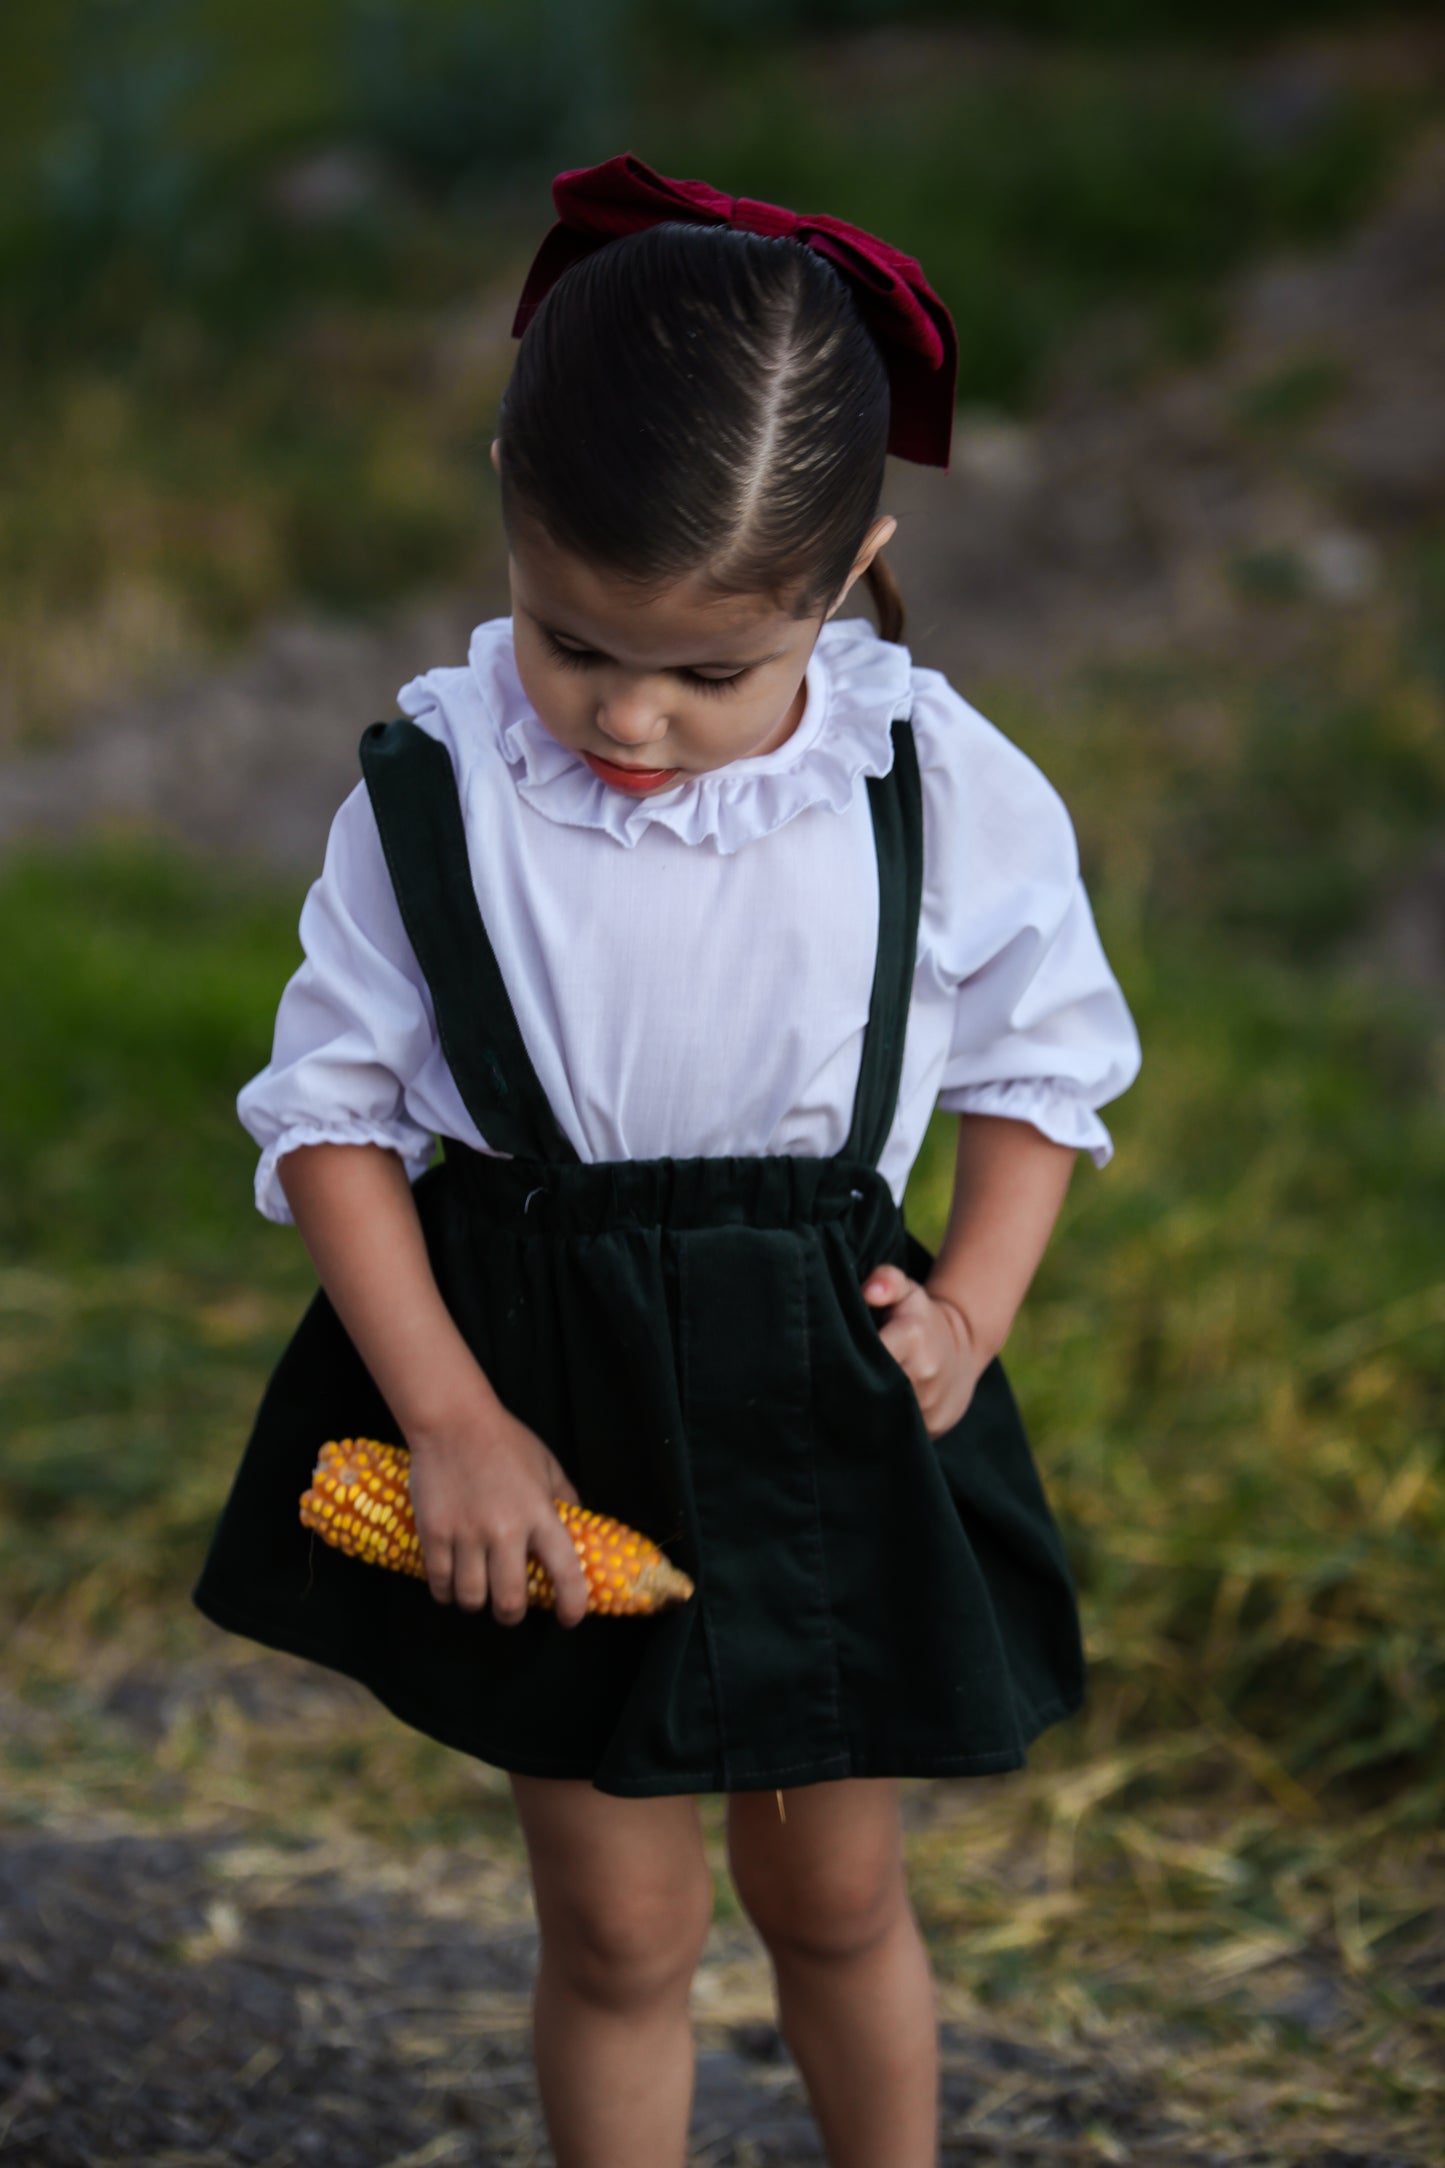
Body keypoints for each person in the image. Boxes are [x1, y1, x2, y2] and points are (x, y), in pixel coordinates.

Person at [192, 153, 1141, 2168]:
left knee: (835, 1893)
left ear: (849, 570)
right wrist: (449, 1417)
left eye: (711, 673)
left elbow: (1040, 1067)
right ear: (508, 511)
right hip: (547, 1381)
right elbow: (336, 1119)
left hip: (821, 1374)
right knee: (619, 1924)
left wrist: (974, 1305)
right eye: (572, 642)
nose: (628, 718)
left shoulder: (933, 784)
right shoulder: (440, 793)